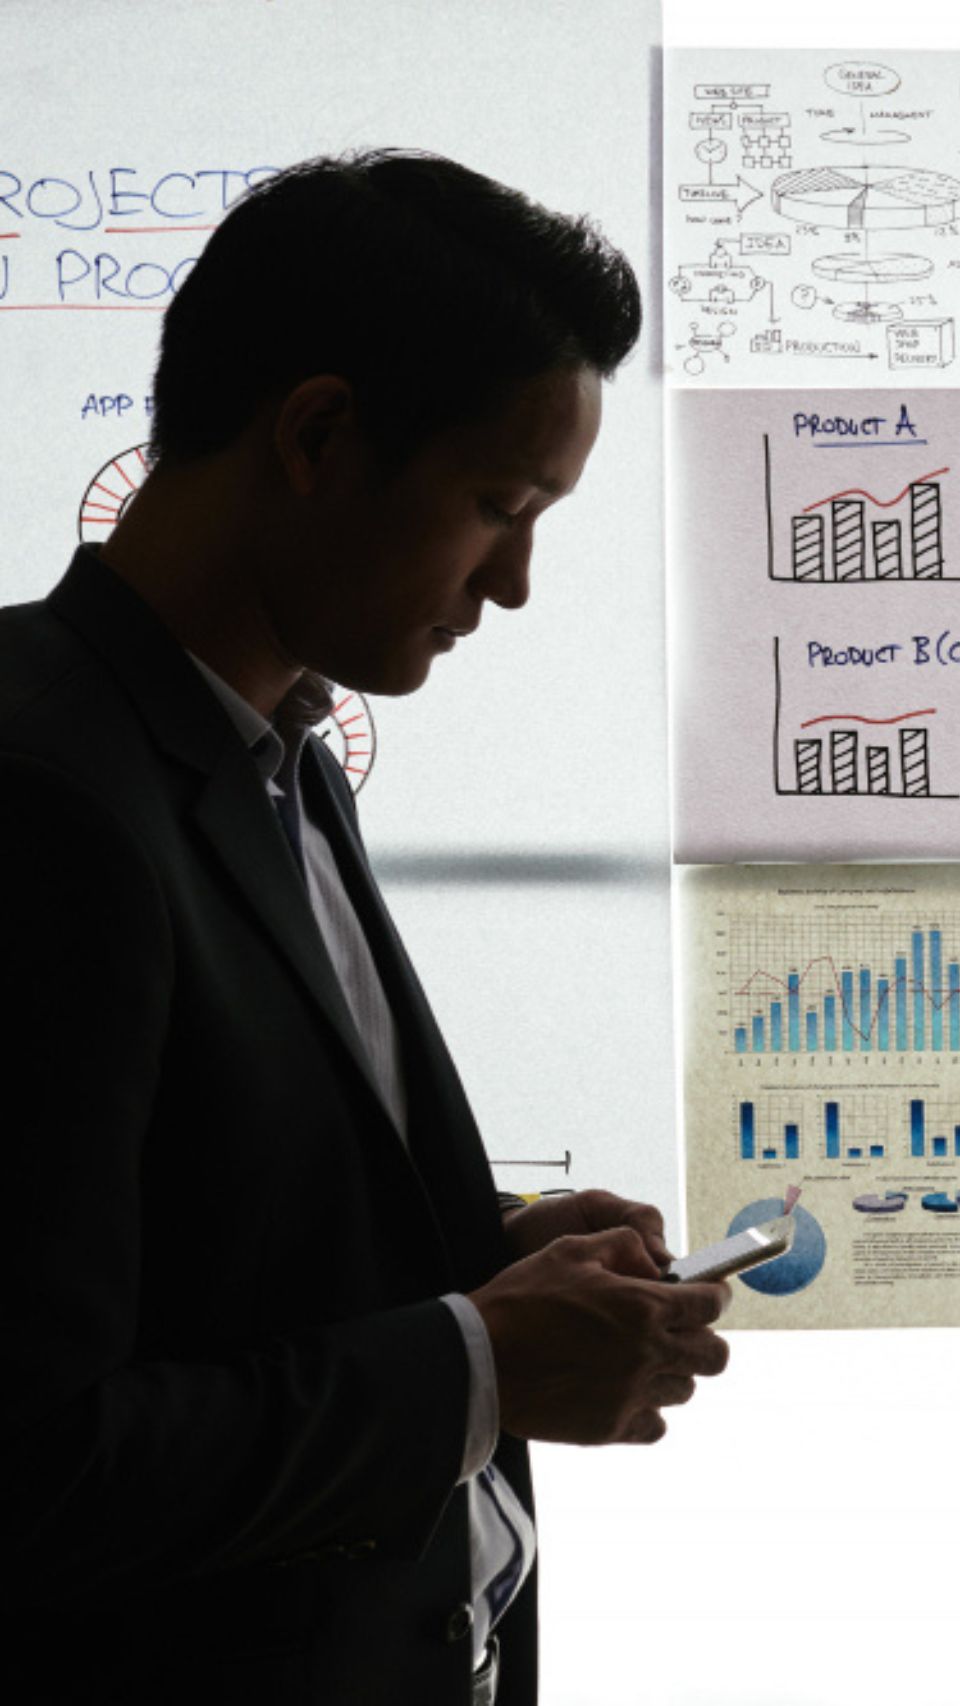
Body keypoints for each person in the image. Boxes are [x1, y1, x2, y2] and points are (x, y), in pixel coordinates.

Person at [1, 151, 731, 1705]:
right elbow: (29, 1463)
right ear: (320, 434)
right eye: (496, 505)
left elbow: (194, 1236)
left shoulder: (277, 753)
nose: (519, 584)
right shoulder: (39, 796)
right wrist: (478, 1362)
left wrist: (479, 1252)